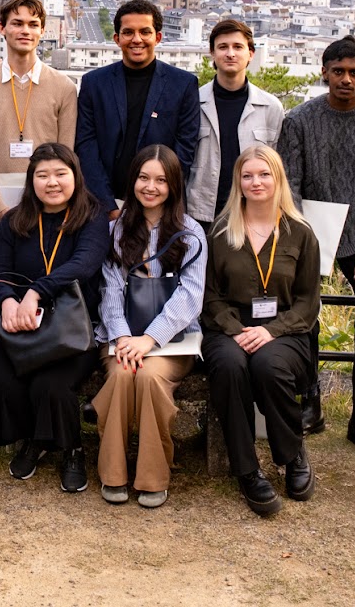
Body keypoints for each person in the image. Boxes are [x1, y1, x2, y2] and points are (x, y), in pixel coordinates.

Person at [277, 36, 355, 467]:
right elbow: (288, 183)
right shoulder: (298, 121)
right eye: (338, 71)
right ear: (324, 72)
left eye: (354, 72)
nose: (345, 79)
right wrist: (300, 237)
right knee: (301, 311)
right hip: (310, 229)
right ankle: (308, 395)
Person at [0, 143, 109, 493]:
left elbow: (84, 263)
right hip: (22, 322)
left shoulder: (93, 217)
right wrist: (7, 301)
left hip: (73, 322)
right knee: (1, 381)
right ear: (31, 180)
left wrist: (36, 291)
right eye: (42, 175)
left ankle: (72, 449)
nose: (52, 183)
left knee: (50, 385)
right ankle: (34, 439)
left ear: (75, 177)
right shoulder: (15, 219)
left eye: (60, 174)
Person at [202, 145, 322, 517]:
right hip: (228, 329)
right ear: (238, 181)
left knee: (269, 366)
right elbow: (209, 298)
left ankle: (291, 453)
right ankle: (248, 470)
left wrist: (271, 331)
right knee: (231, 366)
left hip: (286, 332)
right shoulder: (220, 233)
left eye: (264, 174)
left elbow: (307, 302)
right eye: (248, 175)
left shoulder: (300, 233)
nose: (256, 182)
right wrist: (237, 331)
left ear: (278, 178)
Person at [94, 145, 207, 508]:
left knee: (149, 376)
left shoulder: (191, 234)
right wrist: (125, 336)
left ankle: (153, 476)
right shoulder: (115, 230)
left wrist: (150, 338)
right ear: (133, 181)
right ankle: (112, 472)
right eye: (144, 177)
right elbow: (109, 289)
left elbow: (189, 298)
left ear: (174, 185)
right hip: (122, 337)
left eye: (160, 180)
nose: (151, 187)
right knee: (123, 375)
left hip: (173, 343)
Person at [0, 0, 78, 337]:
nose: (24, 30)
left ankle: (44, 349)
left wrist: (45, 204)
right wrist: (1, 209)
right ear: (2, 28)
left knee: (41, 283)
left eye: (33, 24)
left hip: (48, 206)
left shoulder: (63, 87)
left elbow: (67, 155)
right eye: (16, 23)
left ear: (44, 31)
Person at [75, 0, 201, 217]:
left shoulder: (183, 84)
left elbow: (185, 149)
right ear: (117, 38)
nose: (137, 40)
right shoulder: (94, 83)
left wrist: (155, 196)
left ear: (158, 37)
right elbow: (86, 146)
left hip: (162, 205)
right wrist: (108, 206)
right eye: (128, 32)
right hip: (103, 204)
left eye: (145, 32)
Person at [188, 19, 284, 226]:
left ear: (250, 53)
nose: (230, 53)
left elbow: (279, 167)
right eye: (223, 47)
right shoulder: (193, 102)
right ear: (212, 53)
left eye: (238, 47)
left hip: (252, 214)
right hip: (201, 214)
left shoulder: (270, 107)